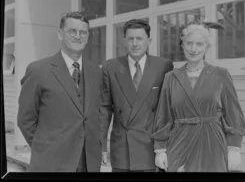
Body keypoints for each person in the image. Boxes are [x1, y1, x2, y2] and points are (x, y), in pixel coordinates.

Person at [152, 22, 245, 172]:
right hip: (180, 142)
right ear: (182, 45)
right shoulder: (171, 78)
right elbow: (163, 116)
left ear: (207, 47)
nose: (193, 49)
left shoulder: (220, 74)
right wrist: (160, 149)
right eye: (189, 43)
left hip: (212, 143)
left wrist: (234, 148)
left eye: (199, 44)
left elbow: (233, 113)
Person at [17, 11, 103, 172]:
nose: (78, 36)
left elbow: (98, 113)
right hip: (51, 164)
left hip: (89, 163)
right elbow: (25, 119)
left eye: (83, 32)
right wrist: (44, 148)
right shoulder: (38, 70)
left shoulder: (96, 72)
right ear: (60, 34)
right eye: (72, 31)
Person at [100, 19, 173, 172]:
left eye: (139, 38)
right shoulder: (111, 67)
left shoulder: (163, 66)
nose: (135, 43)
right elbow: (105, 109)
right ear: (124, 41)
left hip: (152, 148)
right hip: (122, 149)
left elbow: (167, 111)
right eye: (130, 39)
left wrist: (164, 147)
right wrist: (101, 145)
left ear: (149, 40)